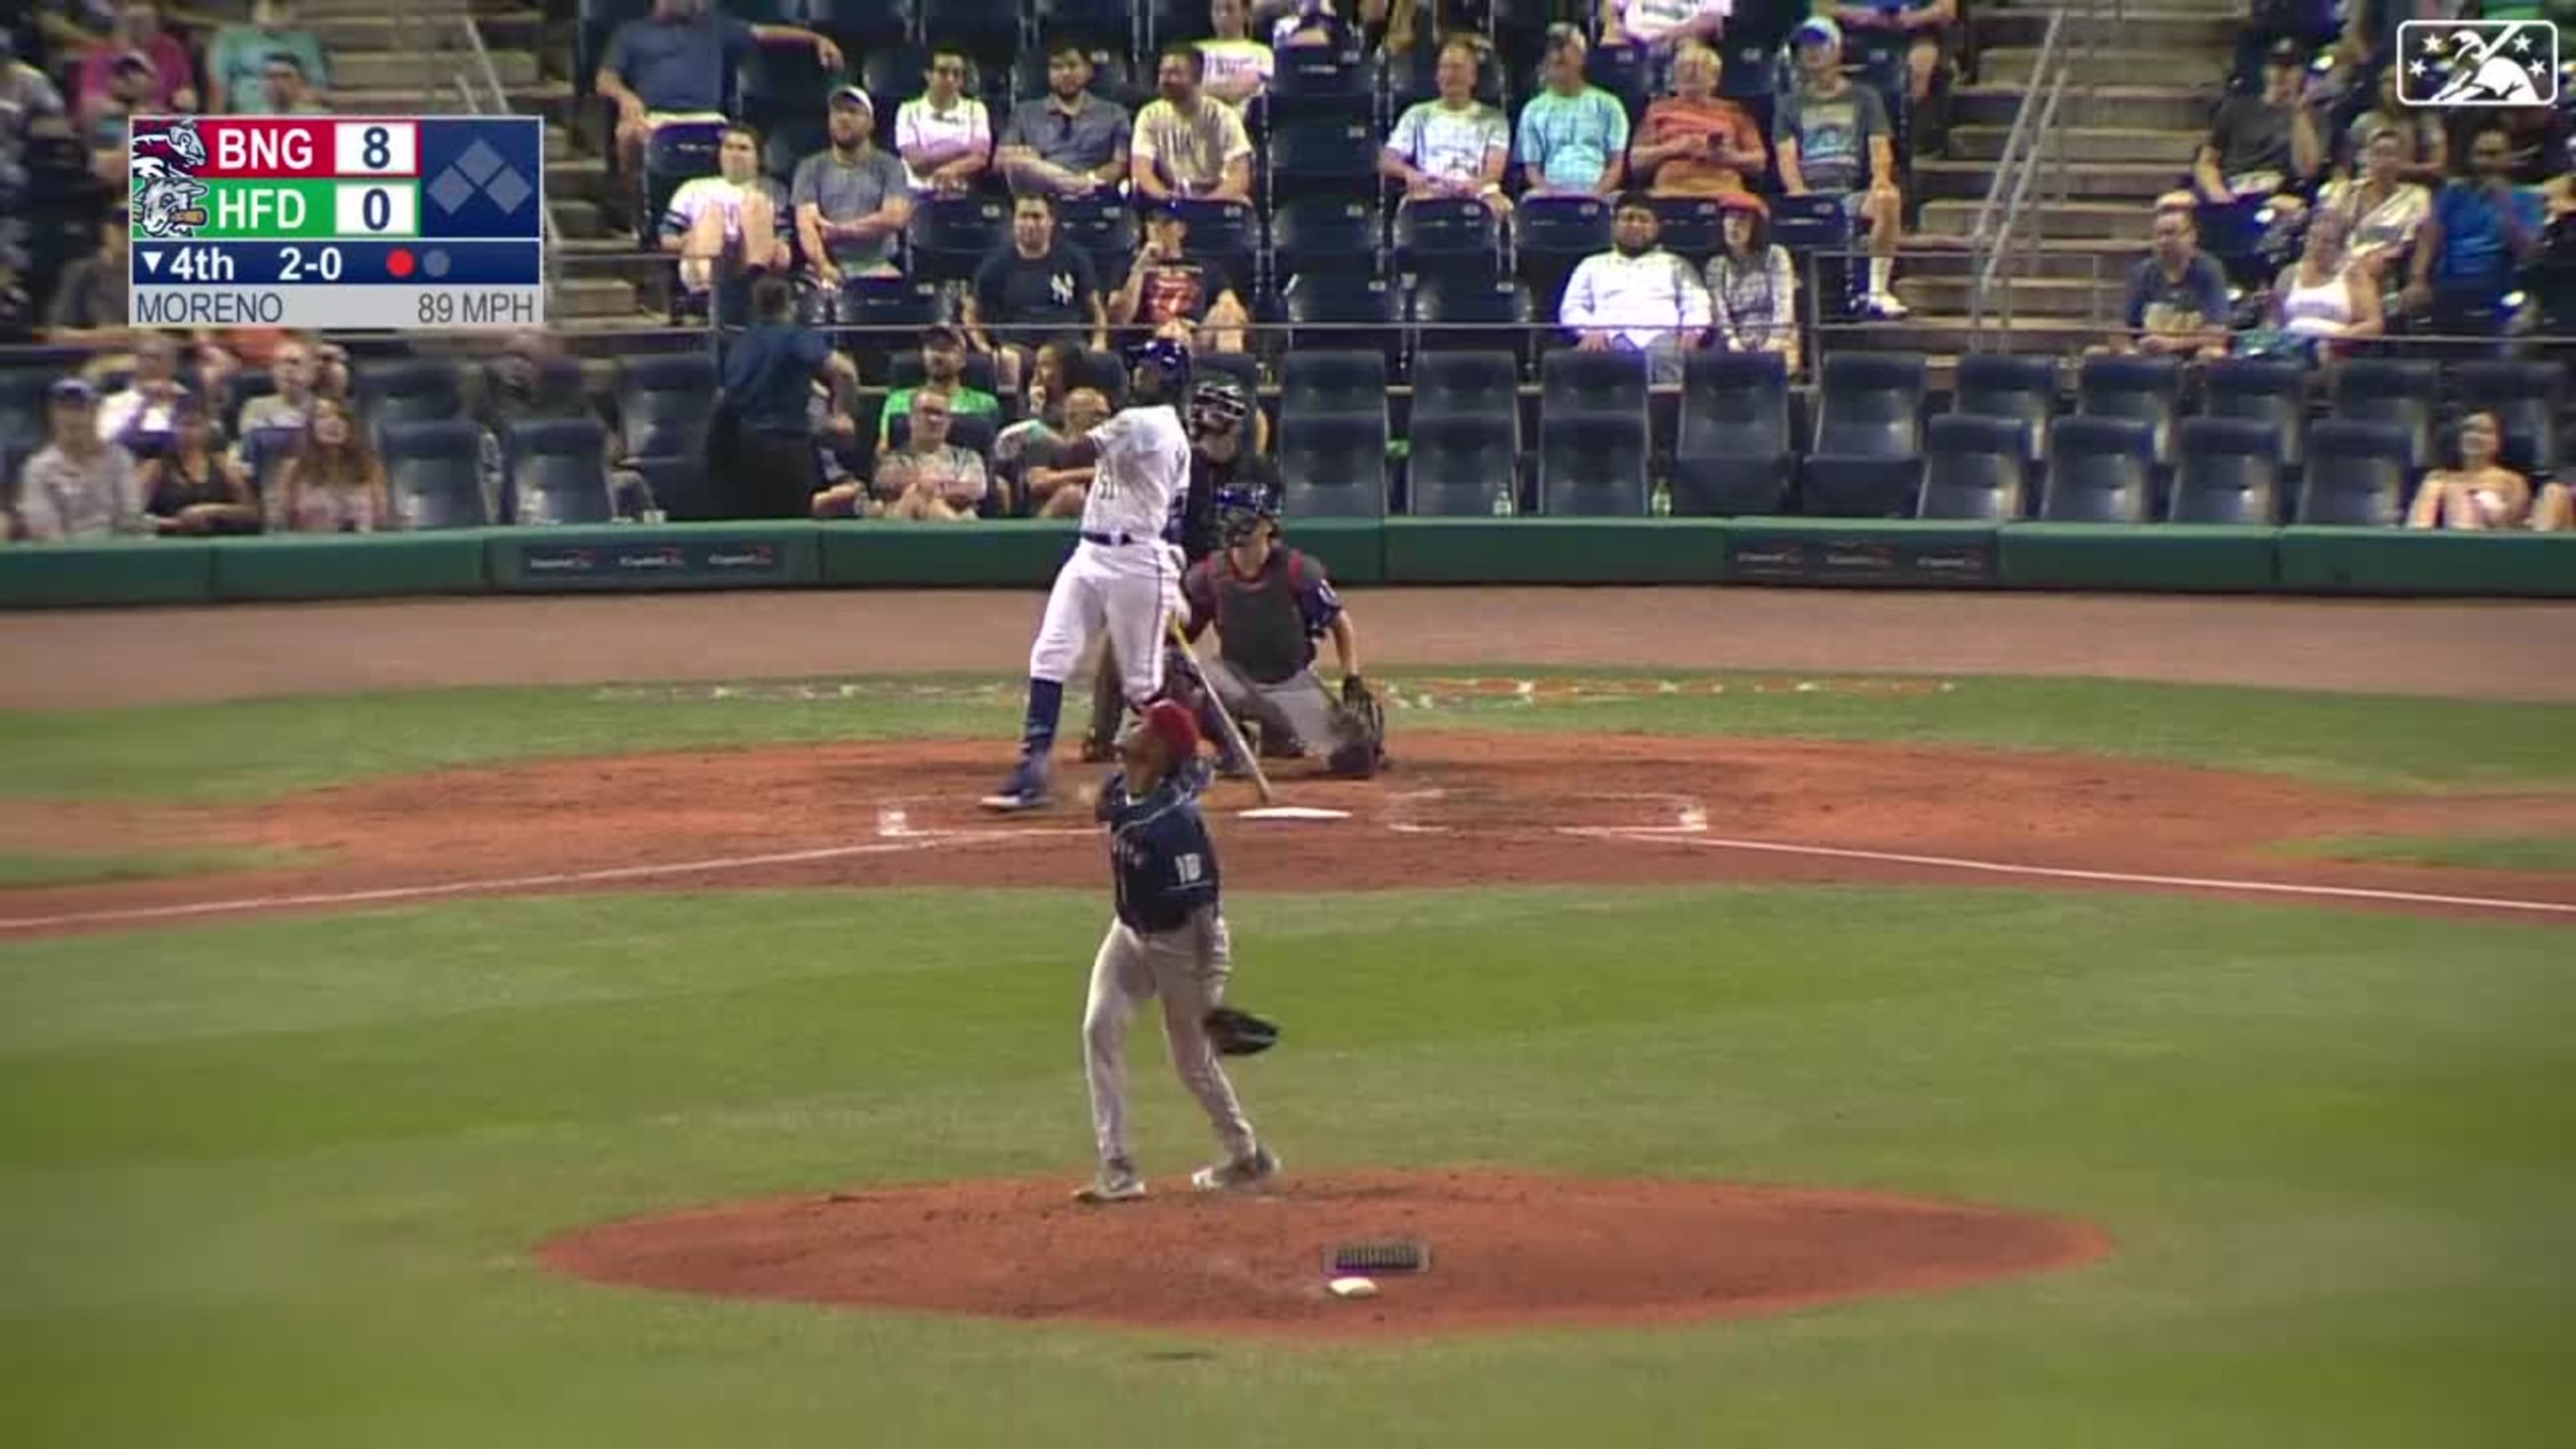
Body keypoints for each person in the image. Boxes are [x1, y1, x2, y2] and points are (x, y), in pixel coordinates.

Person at [1070, 697, 1280, 1205]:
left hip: (1187, 943)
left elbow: (1203, 910)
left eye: (1145, 726)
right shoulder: (1126, 784)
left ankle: (1247, 1155)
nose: (1134, 727)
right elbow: (1105, 802)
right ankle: (1118, 1170)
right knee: (1099, 1027)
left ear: (1160, 747)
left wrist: (1207, 997)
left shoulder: (1176, 824)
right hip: (1131, 930)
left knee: (1191, 1060)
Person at [982, 340, 1200, 813]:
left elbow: (1069, 451)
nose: (1139, 373)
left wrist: (1031, 427)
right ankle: (1032, 770)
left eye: (1150, 368)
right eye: (1140, 365)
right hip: (1091, 552)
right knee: (1050, 653)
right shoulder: (1154, 429)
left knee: (1142, 686)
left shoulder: (1149, 423)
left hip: (1137, 560)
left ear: (1169, 379)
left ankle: (1186, 764)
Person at [1080, 376, 1265, 759]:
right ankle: (1106, 733)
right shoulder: (1180, 460)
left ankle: (1270, 726)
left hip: (1234, 575)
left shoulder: (1256, 470)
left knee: (1261, 645)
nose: (1201, 423)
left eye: (1213, 415)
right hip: (1179, 573)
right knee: (1129, 644)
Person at [1177, 483, 1384, 777]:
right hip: (1236, 680)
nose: (1232, 524)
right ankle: (1232, 747)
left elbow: (1339, 622)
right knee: (1186, 682)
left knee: (1356, 761)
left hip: (1290, 683)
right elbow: (1185, 633)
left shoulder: (1296, 569)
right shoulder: (1209, 573)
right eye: (1227, 515)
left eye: (1242, 516)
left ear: (1267, 524)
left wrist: (1352, 677)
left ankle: (1282, 736)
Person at [597, 0, 841, 177]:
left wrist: (817, 40)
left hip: (708, 119)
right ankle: (637, 216)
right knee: (627, 133)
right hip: (654, 118)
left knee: (747, 145)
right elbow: (605, 78)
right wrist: (625, 97)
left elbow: (765, 33)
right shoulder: (630, 32)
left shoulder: (714, 26)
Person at [1774, 17, 1909, 319]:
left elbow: (1878, 145)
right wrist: (1798, 192)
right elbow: (1786, 155)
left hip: (1850, 193)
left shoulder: (1864, 97)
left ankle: (1877, 291)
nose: (1810, 52)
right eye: (1804, 46)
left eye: (1818, 44)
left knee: (1888, 199)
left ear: (1836, 50)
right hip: (1809, 194)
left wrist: (1880, 179)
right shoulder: (1789, 104)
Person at [716, 275, 855, 519]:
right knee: (794, 527)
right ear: (790, 304)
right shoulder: (793, 336)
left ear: (756, 306)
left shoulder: (740, 345)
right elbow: (844, 371)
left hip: (744, 452)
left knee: (759, 534)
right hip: (788, 449)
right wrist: (839, 413)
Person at [2401, 123, 2547, 335]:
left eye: (2493, 154)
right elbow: (2428, 238)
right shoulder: (2453, 193)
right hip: (2448, 284)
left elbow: (2530, 254)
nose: (2485, 162)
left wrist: (2504, 205)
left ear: (2509, 158)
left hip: (2499, 286)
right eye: (2479, 155)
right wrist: (2417, 280)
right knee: (2408, 305)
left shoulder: (2527, 198)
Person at [964, 194, 1108, 395]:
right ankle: (1013, 415)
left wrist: (1099, 340)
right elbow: (970, 313)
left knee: (1061, 360)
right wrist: (983, 347)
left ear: (1051, 221)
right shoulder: (995, 264)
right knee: (1007, 361)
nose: (1030, 223)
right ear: (1013, 221)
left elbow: (1095, 307)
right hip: (1017, 344)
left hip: (1066, 342)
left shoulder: (1074, 257)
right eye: (1023, 217)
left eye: (1037, 216)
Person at [1559, 195, 1712, 383]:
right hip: (1607, 339)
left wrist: (1691, 332)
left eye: (1643, 220)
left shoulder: (1676, 264)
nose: (1635, 225)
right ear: (1613, 225)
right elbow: (1572, 306)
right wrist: (1590, 329)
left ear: (1656, 227)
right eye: (1628, 218)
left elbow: (1697, 302)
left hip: (1665, 339)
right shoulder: (1591, 265)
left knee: (1673, 359)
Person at [791, 86, 912, 292]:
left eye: (853, 111)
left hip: (876, 265)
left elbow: (894, 217)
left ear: (871, 123)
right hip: (824, 267)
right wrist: (824, 266)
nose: (844, 118)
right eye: (837, 111)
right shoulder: (809, 167)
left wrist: (839, 231)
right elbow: (806, 225)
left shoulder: (890, 166)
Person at [659, 123, 790, 308]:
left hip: (756, 261)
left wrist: (778, 249)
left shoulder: (774, 190)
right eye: (728, 147)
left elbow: (784, 244)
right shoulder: (694, 188)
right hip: (707, 261)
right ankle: (706, 296)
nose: (734, 154)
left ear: (759, 157)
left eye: (743, 149)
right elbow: (667, 239)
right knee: (713, 212)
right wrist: (689, 240)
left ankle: (753, 286)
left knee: (756, 203)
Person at [1379, 33, 1510, 210]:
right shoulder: (1417, 114)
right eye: (1444, 67)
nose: (1449, 75)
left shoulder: (1494, 119)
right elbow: (1387, 160)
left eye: (1457, 68)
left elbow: (1493, 173)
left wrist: (1475, 184)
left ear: (1472, 77)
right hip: (1429, 188)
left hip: (1476, 190)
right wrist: (1410, 174)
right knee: (1412, 207)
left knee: (1500, 207)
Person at [1110, 202, 1253, 354]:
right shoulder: (1129, 265)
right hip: (1151, 339)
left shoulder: (1203, 265)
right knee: (1169, 334)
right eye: (1152, 221)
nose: (1157, 228)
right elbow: (1118, 319)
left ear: (1181, 229)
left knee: (1228, 315)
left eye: (1166, 222)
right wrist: (1141, 266)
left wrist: (1227, 309)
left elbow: (1235, 310)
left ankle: (1230, 375)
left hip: (1195, 338)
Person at [13, 377, 144, 541]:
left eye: (79, 408)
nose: (71, 417)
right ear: (52, 413)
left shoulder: (120, 459)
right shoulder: (38, 469)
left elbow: (130, 519)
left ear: (96, 411)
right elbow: (46, 534)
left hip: (117, 555)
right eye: (64, 409)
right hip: (63, 560)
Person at [1630, 40, 1766, 200]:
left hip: (1723, 188)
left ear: (1715, 78)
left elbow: (1759, 162)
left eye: (1699, 68)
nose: (1690, 73)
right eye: (1683, 68)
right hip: (1671, 189)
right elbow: (1636, 161)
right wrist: (1675, 148)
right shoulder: (1657, 110)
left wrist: (1727, 156)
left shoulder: (1735, 111)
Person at [997, 43, 1132, 198]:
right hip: (1040, 198)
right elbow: (1000, 161)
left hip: (1094, 193)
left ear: (1089, 70)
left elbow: (1121, 164)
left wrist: (1088, 180)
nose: (1066, 73)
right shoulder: (1024, 112)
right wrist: (1022, 154)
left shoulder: (1114, 113)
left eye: (1073, 65)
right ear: (1048, 73)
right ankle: (1070, 184)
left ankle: (1071, 185)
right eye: (1057, 67)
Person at [1130, 42, 1255, 202]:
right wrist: (1168, 199)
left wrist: (1204, 204)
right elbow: (1141, 171)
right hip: (1171, 198)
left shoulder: (1223, 116)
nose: (1165, 80)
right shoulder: (1149, 115)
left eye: (1175, 73)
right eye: (1162, 73)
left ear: (1197, 77)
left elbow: (1239, 177)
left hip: (1217, 197)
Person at [2405, 410, 2569, 529]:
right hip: (2442, 543)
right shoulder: (2438, 477)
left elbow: (2515, 527)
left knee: (2461, 496)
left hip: (2491, 546)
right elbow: (2419, 519)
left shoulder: (2511, 480)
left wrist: (2491, 509)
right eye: (2468, 430)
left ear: (2497, 442)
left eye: (2485, 431)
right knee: (2438, 486)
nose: (2474, 436)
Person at [1516, 24, 1629, 197]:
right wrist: (1550, 194)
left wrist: (1596, 193)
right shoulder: (1533, 110)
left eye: (1566, 46)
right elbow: (1532, 169)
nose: (1558, 54)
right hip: (1550, 192)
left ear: (1582, 57)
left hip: (1600, 191)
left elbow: (1616, 164)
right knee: (1530, 199)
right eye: (1553, 48)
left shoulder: (1609, 105)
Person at [851, 390, 991, 521]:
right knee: (911, 498)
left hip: (957, 517)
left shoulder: (967, 457)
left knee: (924, 500)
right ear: (911, 419)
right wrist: (935, 489)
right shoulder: (893, 458)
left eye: (939, 414)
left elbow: (975, 490)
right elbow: (884, 483)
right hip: (906, 516)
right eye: (926, 412)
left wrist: (929, 490)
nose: (933, 419)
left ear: (949, 422)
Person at [2117, 201, 2231, 359]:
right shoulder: (2141, 272)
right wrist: (2129, 350)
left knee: (2213, 354)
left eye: (2171, 233)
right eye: (2159, 235)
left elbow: (2218, 335)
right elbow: (2122, 329)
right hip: (2148, 355)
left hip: (2193, 355)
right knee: (2095, 353)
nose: (2163, 241)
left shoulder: (2209, 270)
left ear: (2191, 236)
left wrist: (2171, 344)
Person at [2265, 205, 2382, 355]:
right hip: (2289, 349)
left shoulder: (2354, 275)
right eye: (2313, 239)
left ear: (2340, 247)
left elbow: (2374, 324)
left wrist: (2335, 339)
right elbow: (2273, 321)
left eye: (2326, 242)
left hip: (2334, 350)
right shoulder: (2289, 273)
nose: (2317, 246)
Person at [1704, 191, 1800, 369]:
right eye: (1729, 218)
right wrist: (1733, 341)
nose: (1734, 225)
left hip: (1775, 333)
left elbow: (1784, 304)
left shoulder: (1775, 255)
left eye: (1743, 219)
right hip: (1734, 339)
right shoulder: (1716, 264)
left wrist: (1773, 342)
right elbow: (1719, 310)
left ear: (1757, 226)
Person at [138, 401, 258, 533]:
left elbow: (252, 513)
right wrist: (176, 523)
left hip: (220, 539)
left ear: (207, 428)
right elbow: (132, 516)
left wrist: (212, 510)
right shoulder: (156, 466)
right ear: (170, 427)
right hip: (170, 541)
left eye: (195, 425)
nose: (187, 431)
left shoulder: (223, 464)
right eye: (181, 425)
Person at [276, 396, 391, 533]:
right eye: (323, 417)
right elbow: (280, 522)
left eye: (341, 417)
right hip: (310, 549)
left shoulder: (369, 465)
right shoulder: (294, 468)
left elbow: (383, 520)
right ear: (310, 427)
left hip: (362, 547)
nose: (333, 422)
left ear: (350, 426)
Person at [876, 325, 1004, 448]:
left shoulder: (985, 403)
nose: (937, 355)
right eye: (932, 348)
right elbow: (884, 450)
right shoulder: (897, 400)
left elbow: (993, 452)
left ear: (963, 360)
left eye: (946, 349)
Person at [894, 47, 992, 196]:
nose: (950, 79)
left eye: (957, 74)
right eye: (943, 72)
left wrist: (949, 169)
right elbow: (916, 162)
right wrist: (963, 152)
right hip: (918, 192)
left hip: (964, 192)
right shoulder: (908, 110)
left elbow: (980, 157)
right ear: (928, 75)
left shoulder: (976, 109)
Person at [207, 0, 327, 115]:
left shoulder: (306, 40)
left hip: (297, 112)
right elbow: (218, 89)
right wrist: (214, 127)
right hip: (250, 115)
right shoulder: (231, 36)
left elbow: (318, 89)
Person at [1199, 0, 1274, 113]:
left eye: (1229, 9)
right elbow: (1182, 92)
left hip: (1245, 123)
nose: (1222, 15)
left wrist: (1204, 90)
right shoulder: (1197, 50)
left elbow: (1235, 92)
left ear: (1246, 13)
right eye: (1217, 9)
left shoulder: (1262, 53)